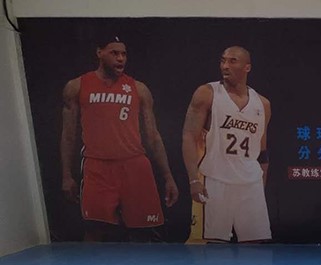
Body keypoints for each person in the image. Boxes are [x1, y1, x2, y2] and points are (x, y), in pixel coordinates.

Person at [60, 35, 178, 242]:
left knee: (145, 234)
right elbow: (68, 135)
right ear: (99, 53)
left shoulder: (139, 89)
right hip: (97, 166)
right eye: (114, 53)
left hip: (134, 165)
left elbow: (153, 136)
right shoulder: (77, 86)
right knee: (95, 232)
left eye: (124, 54)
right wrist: (66, 175)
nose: (121, 58)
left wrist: (168, 176)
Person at [182, 46, 272, 243]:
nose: (225, 66)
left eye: (232, 61)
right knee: (213, 247)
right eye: (223, 61)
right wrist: (193, 180)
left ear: (247, 67)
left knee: (256, 247)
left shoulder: (262, 104)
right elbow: (189, 136)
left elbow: (262, 151)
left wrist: (261, 183)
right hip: (215, 180)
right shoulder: (207, 93)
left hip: (251, 183)